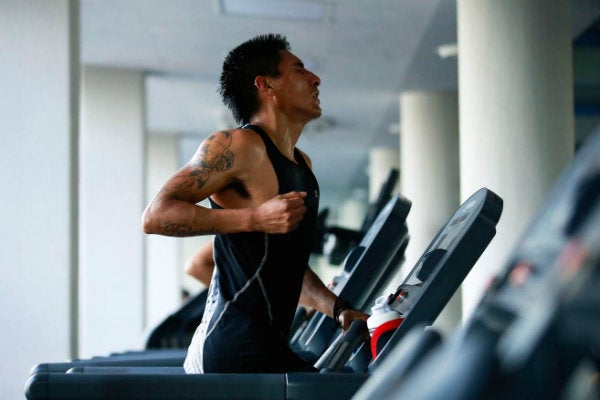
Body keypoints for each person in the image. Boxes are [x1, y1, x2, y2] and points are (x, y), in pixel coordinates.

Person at [142, 33, 368, 374]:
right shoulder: (236, 145)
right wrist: (254, 218)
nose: (315, 78)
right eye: (299, 69)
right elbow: (156, 216)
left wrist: (337, 309)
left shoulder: (301, 164)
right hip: (229, 349)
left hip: (266, 345)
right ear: (266, 85)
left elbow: (285, 266)